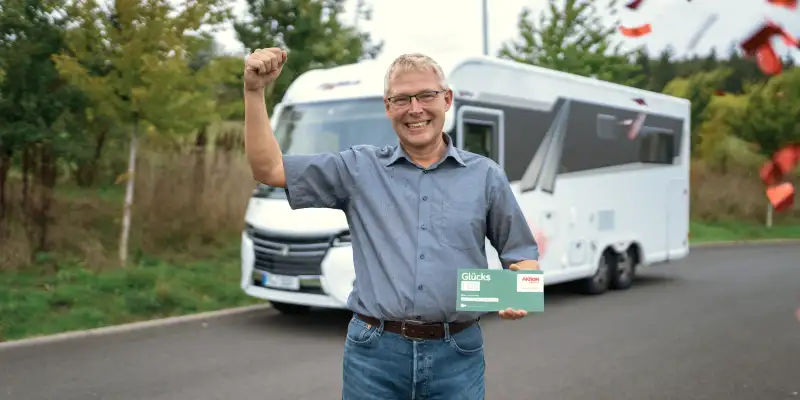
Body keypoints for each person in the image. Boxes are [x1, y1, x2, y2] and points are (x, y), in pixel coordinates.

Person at [242, 48, 540, 400]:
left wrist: (520, 287)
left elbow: (520, 253)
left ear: (447, 100)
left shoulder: (485, 175)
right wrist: (254, 92)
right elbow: (270, 170)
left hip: (457, 354)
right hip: (374, 355)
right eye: (401, 99)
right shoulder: (358, 169)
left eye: (426, 95)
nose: (415, 109)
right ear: (388, 107)